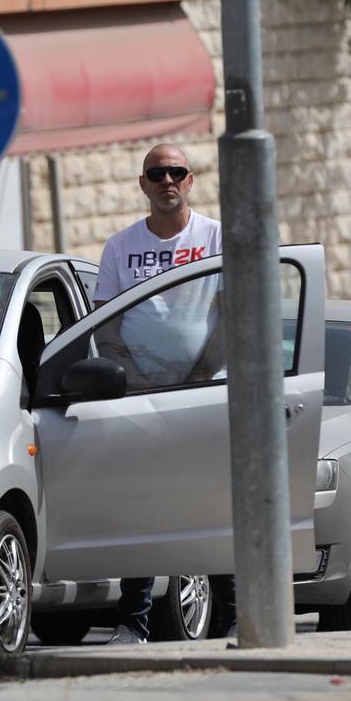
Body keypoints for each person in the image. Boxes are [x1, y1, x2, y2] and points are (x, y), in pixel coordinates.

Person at [93, 143, 236, 645]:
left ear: (191, 180)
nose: (167, 180)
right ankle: (133, 622)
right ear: (144, 184)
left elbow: (236, 318)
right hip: (141, 399)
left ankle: (236, 619)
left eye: (176, 172)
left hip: (206, 394)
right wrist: (139, 380)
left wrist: (197, 376)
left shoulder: (217, 236)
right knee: (145, 506)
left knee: (214, 505)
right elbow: (106, 330)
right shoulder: (120, 247)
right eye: (157, 173)